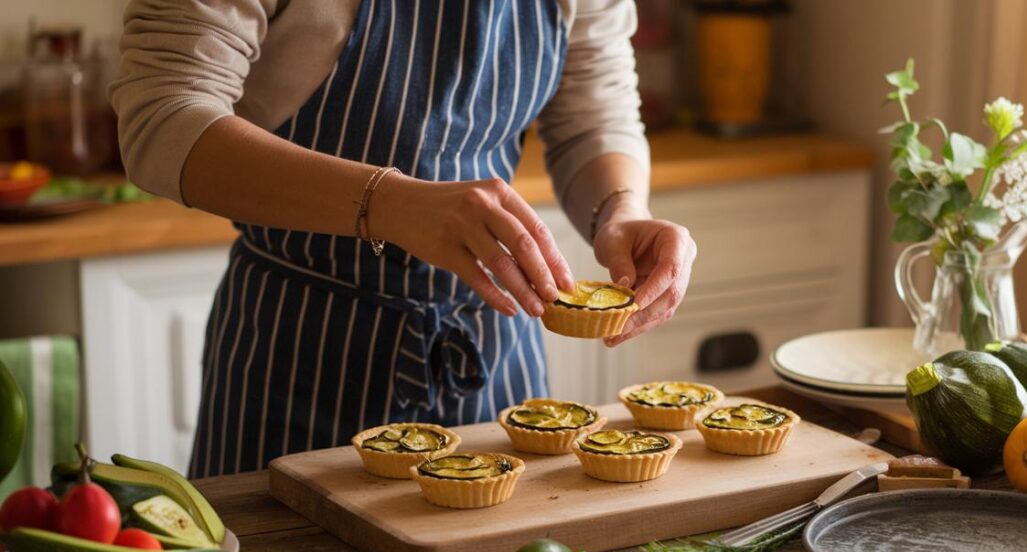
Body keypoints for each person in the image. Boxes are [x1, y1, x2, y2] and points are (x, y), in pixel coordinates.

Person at [110, 0, 697, 477]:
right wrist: (385, 202)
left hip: (492, 352)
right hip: (298, 351)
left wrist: (620, 210)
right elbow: (162, 117)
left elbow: (594, 115)